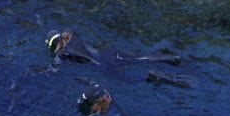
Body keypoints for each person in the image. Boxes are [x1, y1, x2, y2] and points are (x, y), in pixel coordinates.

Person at [45, 30, 181, 70]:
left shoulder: (63, 51)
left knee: (137, 62)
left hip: (105, 61)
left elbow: (57, 66)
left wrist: (50, 70)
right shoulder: (71, 34)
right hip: (108, 51)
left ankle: (169, 59)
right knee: (137, 58)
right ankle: (168, 57)